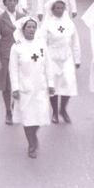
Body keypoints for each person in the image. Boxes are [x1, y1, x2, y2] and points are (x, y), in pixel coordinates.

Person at [9, 17, 55, 159]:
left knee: (41, 115)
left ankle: (33, 134)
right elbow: (13, 69)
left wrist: (51, 84)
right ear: (23, 29)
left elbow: (48, 64)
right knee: (28, 118)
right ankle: (31, 144)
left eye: (33, 27)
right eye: (28, 27)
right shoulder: (17, 47)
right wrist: (15, 88)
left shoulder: (41, 44)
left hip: (40, 87)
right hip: (25, 88)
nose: (31, 30)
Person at [42, 0, 82, 123]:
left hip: (67, 57)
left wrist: (77, 58)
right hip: (52, 57)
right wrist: (43, 60)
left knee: (68, 83)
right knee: (53, 85)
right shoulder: (47, 24)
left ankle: (63, 109)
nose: (59, 10)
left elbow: (75, 41)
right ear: (52, 9)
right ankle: (54, 112)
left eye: (62, 8)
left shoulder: (69, 23)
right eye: (57, 8)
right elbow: (42, 43)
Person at [0, 0, 23, 124]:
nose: (12, 3)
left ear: (17, 2)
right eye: (9, 1)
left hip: (20, 54)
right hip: (6, 54)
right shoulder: (0, 19)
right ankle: (8, 112)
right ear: (5, 3)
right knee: (7, 85)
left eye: (14, 0)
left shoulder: (22, 17)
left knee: (19, 82)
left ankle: (15, 107)